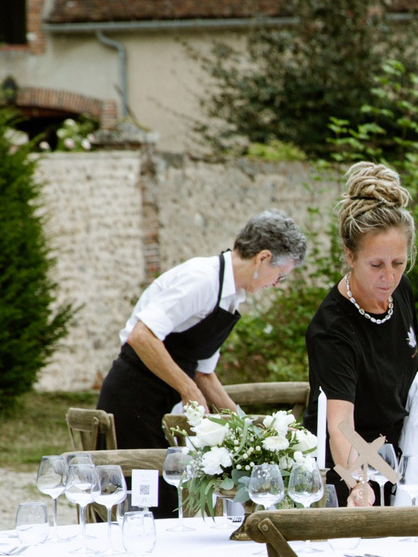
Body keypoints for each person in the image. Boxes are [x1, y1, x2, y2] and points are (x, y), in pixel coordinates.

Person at [97, 210, 306, 511]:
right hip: (133, 403)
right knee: (149, 509)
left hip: (161, 411)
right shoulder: (202, 279)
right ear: (263, 258)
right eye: (280, 275)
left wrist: (248, 431)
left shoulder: (231, 297)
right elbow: (141, 336)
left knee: (167, 506)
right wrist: (188, 390)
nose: (277, 283)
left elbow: (204, 375)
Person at [308, 163, 418, 506]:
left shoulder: (401, 293)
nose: (389, 277)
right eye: (376, 265)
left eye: (398, 263)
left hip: (398, 460)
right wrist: (359, 483)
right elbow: (340, 423)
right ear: (349, 256)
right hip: (347, 469)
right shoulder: (331, 328)